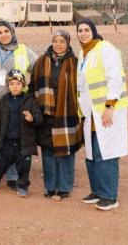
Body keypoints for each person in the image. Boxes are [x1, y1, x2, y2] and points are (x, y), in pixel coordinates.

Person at [76, 19, 128, 211]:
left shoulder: (105, 48)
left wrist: (110, 105)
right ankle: (97, 191)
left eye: (86, 30)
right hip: (91, 113)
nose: (83, 33)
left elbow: (114, 78)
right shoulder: (83, 53)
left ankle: (109, 195)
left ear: (94, 31)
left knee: (106, 152)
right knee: (92, 153)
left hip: (107, 110)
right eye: (80, 30)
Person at [0, 20, 38, 189]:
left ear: (12, 32)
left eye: (6, 31)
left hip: (14, 105)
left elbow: (38, 68)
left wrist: (30, 94)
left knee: (13, 140)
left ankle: (11, 177)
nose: (3, 35)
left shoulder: (24, 51)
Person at [28, 30, 81, 200]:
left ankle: (64, 187)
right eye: (55, 41)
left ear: (68, 43)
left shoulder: (75, 63)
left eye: (62, 41)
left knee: (66, 151)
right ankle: (50, 187)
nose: (58, 44)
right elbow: (32, 87)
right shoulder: (41, 62)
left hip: (67, 115)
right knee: (48, 151)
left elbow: (81, 89)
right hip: (46, 114)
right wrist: (33, 109)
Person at [0, 70, 42, 197]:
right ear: (7, 86)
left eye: (18, 84)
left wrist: (32, 119)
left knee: (24, 167)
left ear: (23, 85)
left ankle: (22, 187)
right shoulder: (3, 101)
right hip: (7, 142)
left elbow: (39, 118)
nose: (15, 86)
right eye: (12, 84)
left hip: (24, 142)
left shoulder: (30, 101)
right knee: (1, 164)